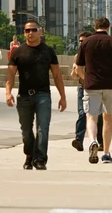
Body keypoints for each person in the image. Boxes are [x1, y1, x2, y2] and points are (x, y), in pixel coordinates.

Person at [5, 21, 66, 170]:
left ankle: (40, 159)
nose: (30, 33)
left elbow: (57, 75)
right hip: (24, 96)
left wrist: (62, 96)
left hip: (43, 95)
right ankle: (29, 155)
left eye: (33, 30)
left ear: (40, 32)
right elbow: (11, 76)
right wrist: (8, 93)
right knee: (26, 130)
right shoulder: (17, 52)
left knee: (42, 128)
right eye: (27, 30)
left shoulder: (48, 51)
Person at [75, 17, 112, 164]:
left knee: (91, 117)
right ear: (108, 27)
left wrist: (85, 78)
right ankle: (106, 153)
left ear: (95, 27)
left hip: (92, 85)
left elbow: (78, 67)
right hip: (110, 85)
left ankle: (93, 141)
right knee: (108, 118)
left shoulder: (86, 42)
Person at [70, 31, 103, 152]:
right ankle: (79, 140)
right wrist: (75, 71)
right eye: (80, 41)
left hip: (94, 88)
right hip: (82, 88)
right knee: (82, 113)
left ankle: (101, 141)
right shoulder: (77, 56)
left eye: (84, 41)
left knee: (97, 115)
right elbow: (73, 76)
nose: (81, 43)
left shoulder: (96, 56)